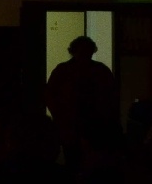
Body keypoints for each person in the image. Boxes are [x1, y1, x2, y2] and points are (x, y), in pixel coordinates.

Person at [44, 36, 118, 168]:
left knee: (74, 159)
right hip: (88, 124)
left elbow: (50, 95)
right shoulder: (100, 70)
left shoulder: (63, 70)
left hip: (77, 123)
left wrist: (59, 116)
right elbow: (111, 97)